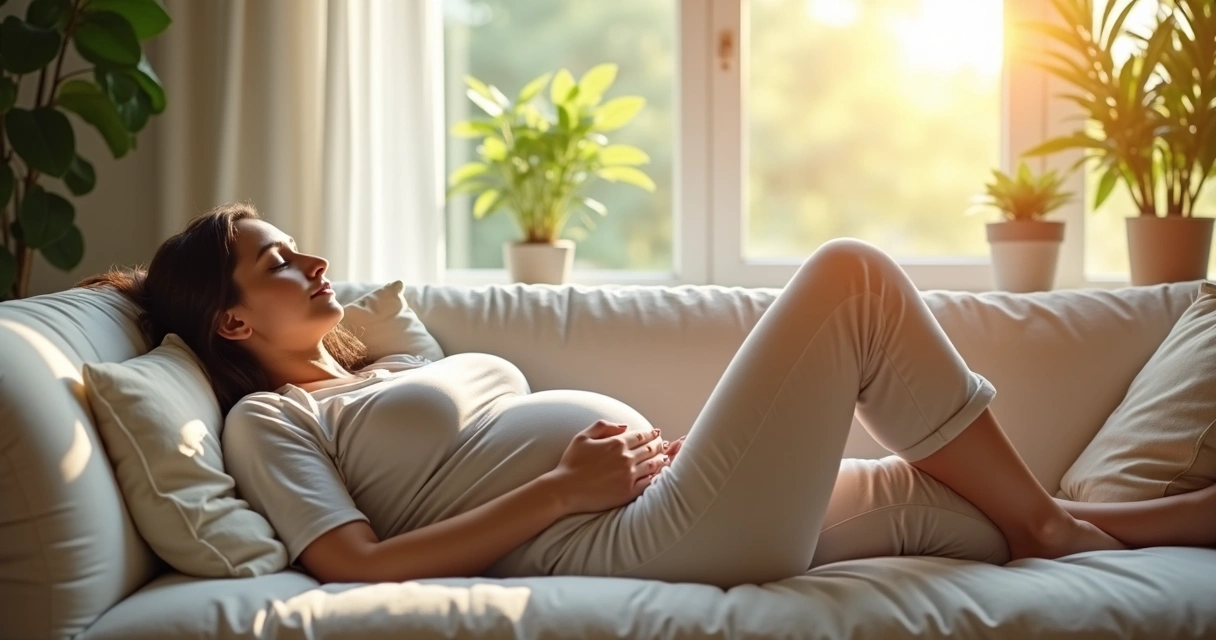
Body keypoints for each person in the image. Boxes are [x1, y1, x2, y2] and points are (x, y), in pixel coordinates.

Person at [78, 202, 1214, 589]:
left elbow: (432, 392)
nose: (313, 264)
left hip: (659, 504)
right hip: (623, 541)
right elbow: (354, 564)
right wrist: (565, 485)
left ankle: (1153, 521)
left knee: (949, 500)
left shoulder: (384, 364)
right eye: (279, 262)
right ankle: (1054, 519)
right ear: (229, 323)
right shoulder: (267, 419)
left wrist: (593, 468)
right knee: (850, 277)